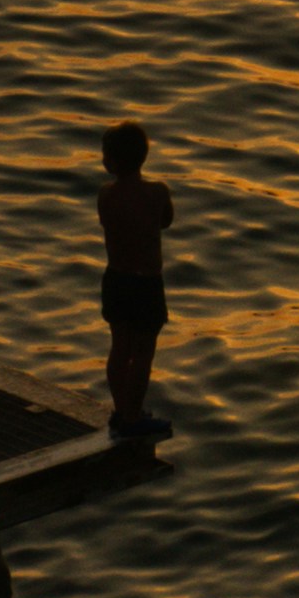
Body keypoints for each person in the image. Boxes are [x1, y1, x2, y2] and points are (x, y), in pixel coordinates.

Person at [93, 122, 173, 434]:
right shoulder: (157, 193)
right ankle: (132, 415)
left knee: (119, 348)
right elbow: (165, 221)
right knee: (142, 353)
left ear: (110, 161)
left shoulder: (105, 196)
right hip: (146, 283)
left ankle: (121, 409)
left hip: (115, 280)